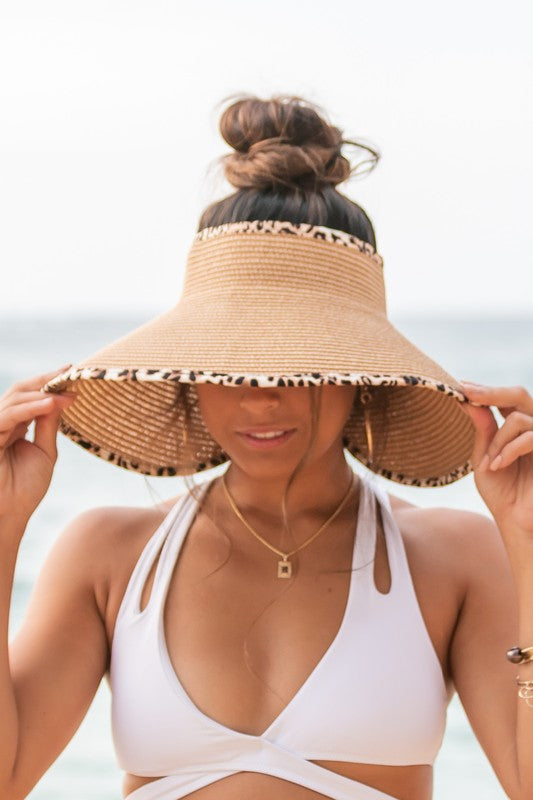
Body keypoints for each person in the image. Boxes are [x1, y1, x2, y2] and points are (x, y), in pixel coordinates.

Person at [1, 96, 533, 800]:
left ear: (359, 375)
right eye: (229, 364)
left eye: (297, 363)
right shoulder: (110, 553)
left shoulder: (454, 556)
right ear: (190, 377)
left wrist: (527, 540)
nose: (259, 397)